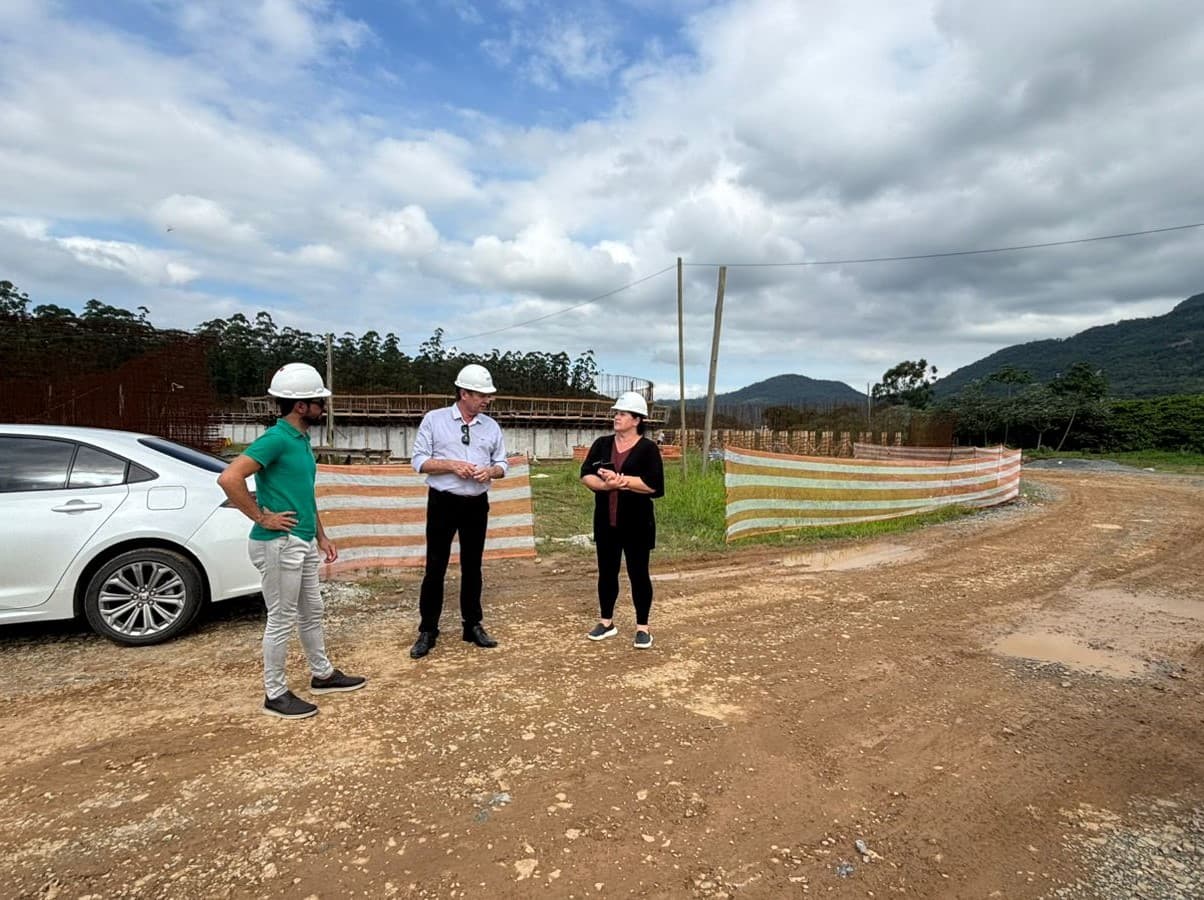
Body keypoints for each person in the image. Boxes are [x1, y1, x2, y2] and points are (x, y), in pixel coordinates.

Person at [218, 363, 367, 719]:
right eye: (319, 402)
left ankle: (322, 673)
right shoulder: (276, 439)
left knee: (311, 610)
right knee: (282, 617)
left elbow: (303, 494)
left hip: (299, 541)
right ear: (301, 406)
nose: (324, 407)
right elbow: (229, 478)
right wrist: (262, 517)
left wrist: (321, 535)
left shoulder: (299, 441)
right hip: (278, 543)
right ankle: (275, 692)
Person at [408, 363, 509, 659]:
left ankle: (472, 625)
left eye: (488, 396)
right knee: (435, 566)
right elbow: (418, 461)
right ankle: (428, 629)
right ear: (463, 393)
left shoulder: (491, 426)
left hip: (476, 503)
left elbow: (503, 464)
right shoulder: (435, 420)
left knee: (473, 565)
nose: (486, 400)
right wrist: (451, 464)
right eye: (481, 395)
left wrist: (490, 470)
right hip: (443, 501)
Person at [579, 391, 665, 648]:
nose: (616, 417)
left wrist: (622, 481)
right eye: (616, 413)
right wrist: (605, 486)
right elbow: (586, 475)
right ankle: (606, 622)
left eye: (622, 413)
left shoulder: (648, 449)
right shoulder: (602, 444)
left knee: (639, 574)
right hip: (606, 521)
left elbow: (654, 486)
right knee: (607, 572)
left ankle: (643, 628)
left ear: (637, 420)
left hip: (637, 523)